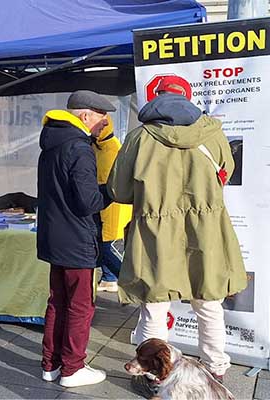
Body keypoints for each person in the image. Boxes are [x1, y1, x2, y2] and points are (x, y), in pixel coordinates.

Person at [107, 75, 247, 397]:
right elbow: (225, 172)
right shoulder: (213, 133)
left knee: (154, 307)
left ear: (155, 98)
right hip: (206, 231)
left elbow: (119, 190)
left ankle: (152, 377)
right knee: (209, 304)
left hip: (156, 233)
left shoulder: (139, 137)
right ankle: (215, 370)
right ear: (188, 97)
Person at [37, 90, 114, 388]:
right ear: (85, 115)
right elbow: (87, 202)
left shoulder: (51, 142)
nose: (102, 126)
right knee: (81, 306)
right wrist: (111, 191)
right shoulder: (80, 148)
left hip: (54, 238)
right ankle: (72, 368)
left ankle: (51, 364)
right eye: (100, 119)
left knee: (57, 302)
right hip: (77, 239)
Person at [92, 115, 132, 292]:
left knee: (108, 246)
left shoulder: (112, 148)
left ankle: (125, 283)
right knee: (104, 242)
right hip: (103, 202)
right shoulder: (96, 146)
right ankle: (109, 278)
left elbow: (110, 182)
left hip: (113, 204)